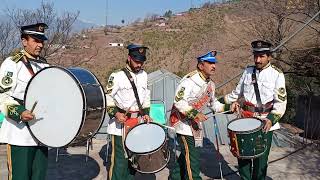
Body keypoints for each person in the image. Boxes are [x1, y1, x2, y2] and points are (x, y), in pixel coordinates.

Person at [220, 40, 287, 180]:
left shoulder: (277, 74)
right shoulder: (248, 71)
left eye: (262, 56)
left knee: (260, 160)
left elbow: (281, 102)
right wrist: (217, 102)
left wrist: (271, 119)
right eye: (256, 56)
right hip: (245, 120)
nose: (258, 60)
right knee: (242, 156)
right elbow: (236, 93)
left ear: (269, 57)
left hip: (265, 122)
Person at [169, 51, 238, 180]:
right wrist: (195, 113)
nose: (214, 66)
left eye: (214, 63)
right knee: (193, 159)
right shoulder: (189, 81)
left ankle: (175, 177)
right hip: (182, 124)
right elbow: (178, 102)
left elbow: (214, 105)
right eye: (210, 63)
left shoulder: (211, 85)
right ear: (201, 65)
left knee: (188, 156)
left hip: (194, 124)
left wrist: (229, 107)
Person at [0, 23, 50, 180]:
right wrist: (20, 112)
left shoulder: (44, 64)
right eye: (35, 40)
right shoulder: (12, 63)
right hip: (19, 134)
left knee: (39, 176)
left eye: (41, 41)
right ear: (24, 41)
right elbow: (2, 96)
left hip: (41, 135)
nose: (40, 45)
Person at [106, 43, 152, 180]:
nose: (139, 64)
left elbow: (146, 97)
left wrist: (146, 114)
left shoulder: (144, 75)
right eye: (137, 61)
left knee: (133, 162)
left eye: (141, 61)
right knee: (120, 162)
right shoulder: (117, 76)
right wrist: (115, 113)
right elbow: (107, 96)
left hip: (137, 123)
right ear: (129, 58)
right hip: (120, 125)